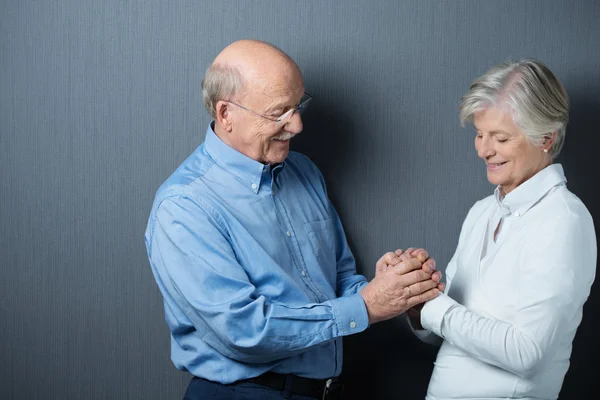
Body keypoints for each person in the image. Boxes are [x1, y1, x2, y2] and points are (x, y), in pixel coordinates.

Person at [144, 39, 443, 400]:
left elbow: (339, 279)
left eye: (298, 105)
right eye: (279, 112)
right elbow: (244, 331)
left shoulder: (303, 171)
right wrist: (366, 306)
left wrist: (395, 289)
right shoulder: (184, 206)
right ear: (226, 115)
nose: (298, 125)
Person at [404, 59, 597, 399]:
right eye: (480, 134)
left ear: (546, 139)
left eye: (500, 138)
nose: (483, 149)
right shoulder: (482, 212)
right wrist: (418, 300)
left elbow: (527, 354)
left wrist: (435, 308)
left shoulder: (563, 221)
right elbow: (448, 332)